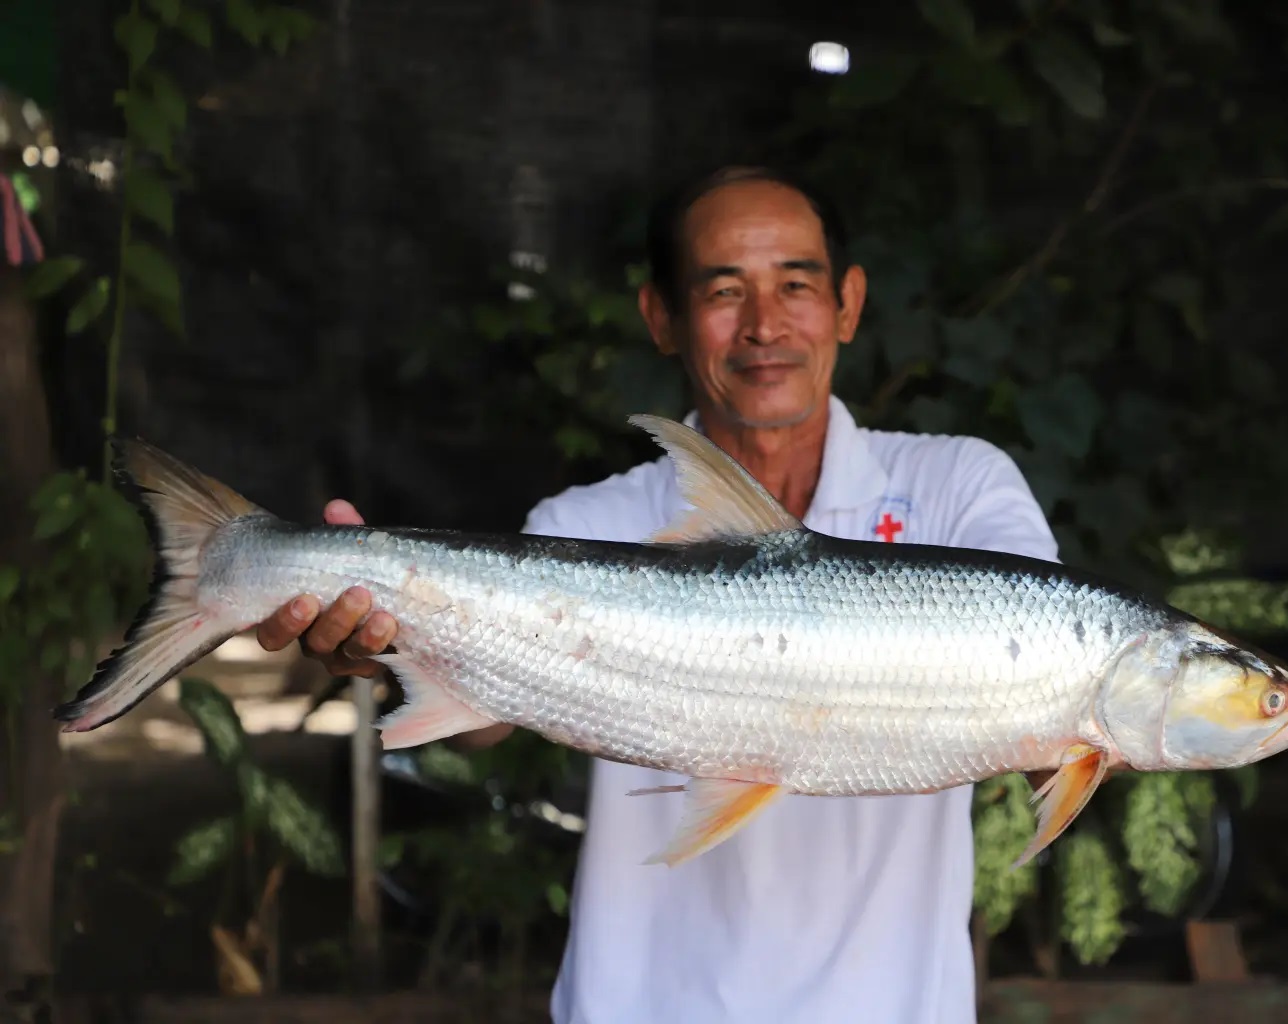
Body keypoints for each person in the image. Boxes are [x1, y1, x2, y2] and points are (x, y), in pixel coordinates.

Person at [255, 165, 1060, 1023]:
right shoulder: (587, 519)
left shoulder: (962, 487)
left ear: (849, 305)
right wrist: (391, 640)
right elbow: (490, 714)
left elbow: (1048, 700)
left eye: (797, 284)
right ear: (662, 319)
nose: (764, 325)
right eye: (724, 290)